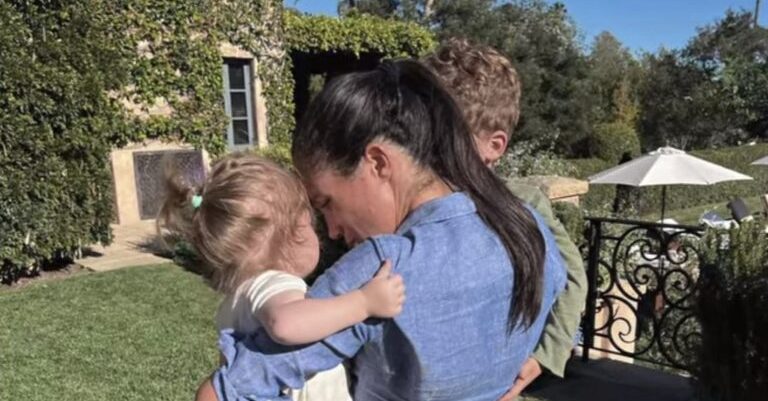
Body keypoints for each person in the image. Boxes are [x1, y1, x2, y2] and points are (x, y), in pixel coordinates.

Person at [195, 59, 567, 401]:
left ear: (377, 163)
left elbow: (220, 394)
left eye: (327, 203)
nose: (333, 230)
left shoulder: (381, 270)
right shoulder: (530, 231)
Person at [157, 153, 405, 401]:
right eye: (309, 221)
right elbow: (284, 324)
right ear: (293, 232)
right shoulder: (274, 283)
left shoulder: (235, 301)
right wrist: (364, 302)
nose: (322, 232)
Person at [423, 38, 588, 397]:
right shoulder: (416, 198)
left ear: (494, 145)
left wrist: (545, 355)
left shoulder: (522, 201)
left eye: (445, 138)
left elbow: (573, 276)